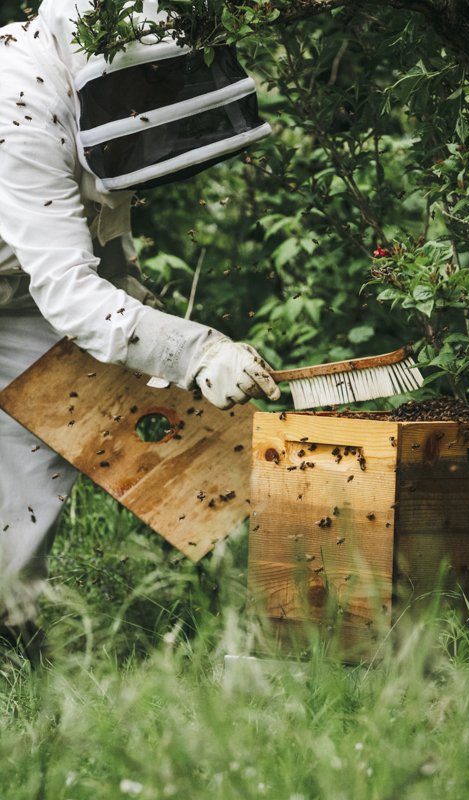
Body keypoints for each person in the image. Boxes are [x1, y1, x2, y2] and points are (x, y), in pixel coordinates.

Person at [0, 0, 280, 660]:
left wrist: (137, 307)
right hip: (37, 290)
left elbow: (88, 232)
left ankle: (12, 629)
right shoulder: (18, 109)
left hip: (19, 291)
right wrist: (199, 350)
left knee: (36, 459)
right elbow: (71, 294)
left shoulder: (82, 87)